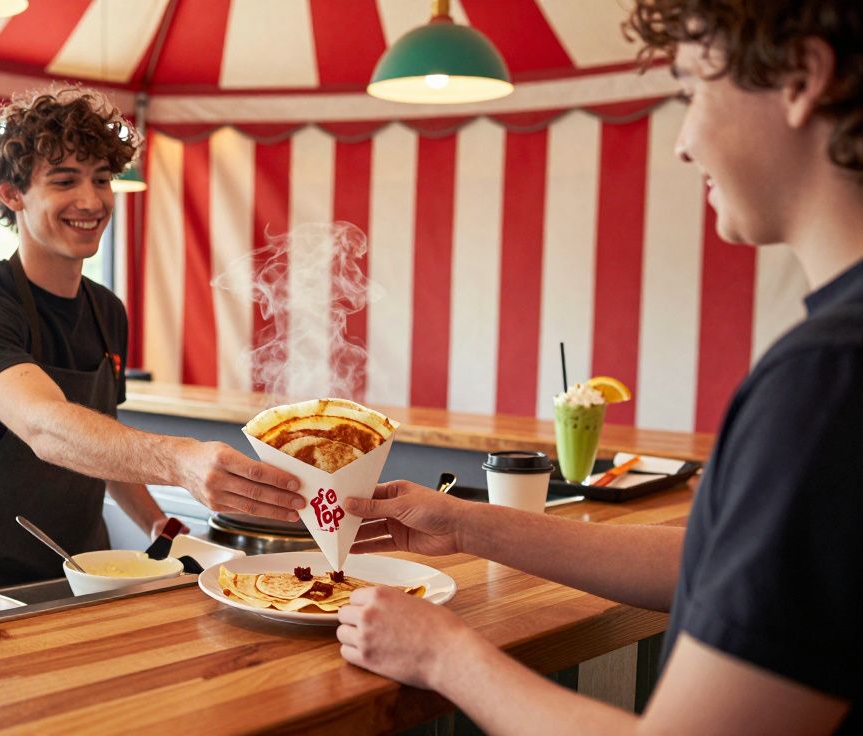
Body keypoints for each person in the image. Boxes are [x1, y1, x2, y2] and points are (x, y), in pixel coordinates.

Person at [336, 1, 863, 732]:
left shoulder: (827, 380)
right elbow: (713, 567)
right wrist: (467, 525)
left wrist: (441, 655)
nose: (683, 144)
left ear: (803, 78)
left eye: (690, 92)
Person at [0, 87, 304, 590]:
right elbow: (47, 427)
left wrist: (154, 522)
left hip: (84, 572)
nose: (91, 200)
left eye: (102, 179)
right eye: (64, 181)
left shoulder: (107, 312)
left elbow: (100, 438)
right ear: (12, 193)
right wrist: (180, 461)